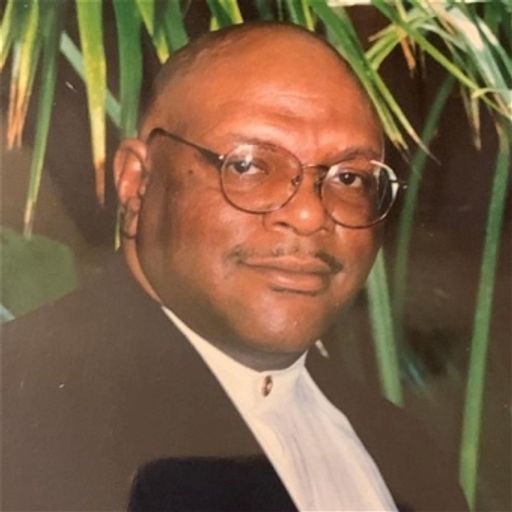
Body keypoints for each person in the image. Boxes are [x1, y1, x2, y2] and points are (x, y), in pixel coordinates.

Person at [1, 22, 467, 511]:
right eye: (248, 165)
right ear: (138, 182)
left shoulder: (401, 449)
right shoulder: (23, 409)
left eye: (348, 177)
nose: (310, 215)